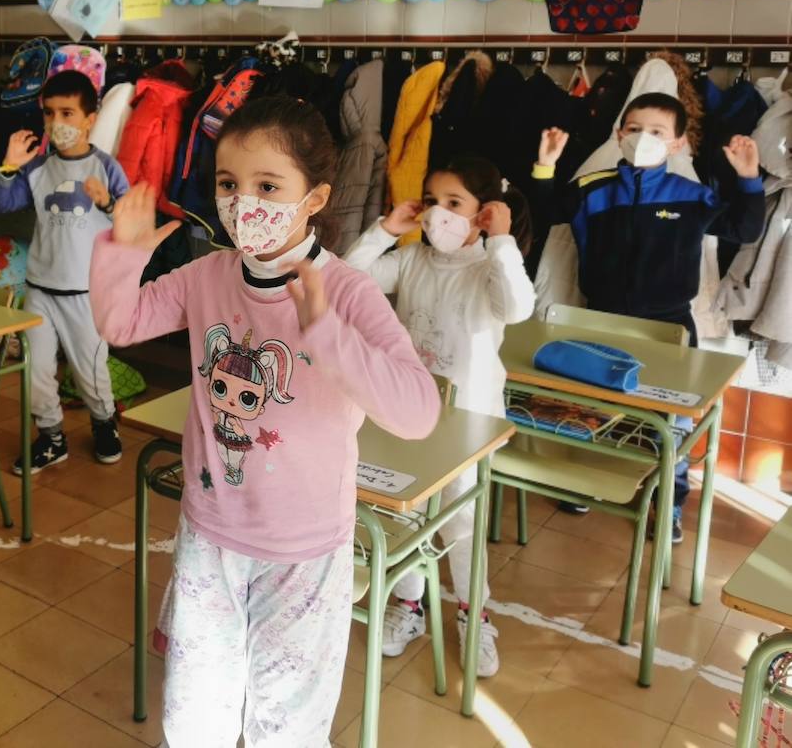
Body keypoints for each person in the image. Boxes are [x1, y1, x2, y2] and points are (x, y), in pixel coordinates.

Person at [91, 95, 440, 746]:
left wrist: (325, 331)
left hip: (304, 549)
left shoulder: (347, 290)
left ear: (314, 198)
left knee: (287, 723)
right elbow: (122, 322)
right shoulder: (207, 275)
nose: (243, 201)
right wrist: (122, 251)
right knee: (197, 714)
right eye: (229, 184)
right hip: (211, 533)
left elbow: (417, 410)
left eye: (268, 185)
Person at [530, 92, 764, 542]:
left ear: (677, 143)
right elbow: (543, 216)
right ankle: (582, 484)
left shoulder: (693, 196)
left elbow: (745, 229)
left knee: (672, 422)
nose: (643, 139)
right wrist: (546, 166)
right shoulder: (592, 189)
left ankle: (669, 502)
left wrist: (749, 178)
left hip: (669, 328)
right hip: (598, 321)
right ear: (619, 135)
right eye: (634, 129)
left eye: (657, 132)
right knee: (589, 409)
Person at [343, 154, 536, 678]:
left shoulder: (491, 267)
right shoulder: (411, 260)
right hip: (408, 412)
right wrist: (385, 229)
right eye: (431, 201)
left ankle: (476, 614)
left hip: (468, 423)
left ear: (483, 213)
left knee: (461, 522)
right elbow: (348, 276)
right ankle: (409, 607)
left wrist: (502, 241)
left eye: (454, 203)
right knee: (408, 512)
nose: (437, 214)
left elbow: (518, 307)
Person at [0, 70, 129, 472]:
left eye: (68, 113)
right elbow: (1, 203)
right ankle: (50, 437)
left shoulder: (107, 168)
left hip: (86, 294)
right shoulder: (37, 168)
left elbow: (133, 224)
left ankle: (104, 423)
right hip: (40, 291)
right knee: (36, 371)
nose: (57, 123)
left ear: (90, 118)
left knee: (91, 372)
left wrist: (107, 205)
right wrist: (9, 167)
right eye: (50, 114)